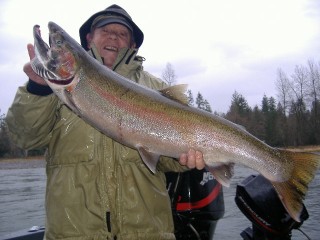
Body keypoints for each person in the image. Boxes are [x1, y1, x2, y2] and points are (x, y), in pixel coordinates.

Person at [6, 4, 205, 240]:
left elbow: (166, 163)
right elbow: (24, 137)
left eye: (122, 34)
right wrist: (37, 88)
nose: (113, 37)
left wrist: (183, 160)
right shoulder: (51, 88)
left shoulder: (157, 88)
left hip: (147, 232)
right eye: (105, 31)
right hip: (73, 233)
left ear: (133, 45)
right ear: (88, 38)